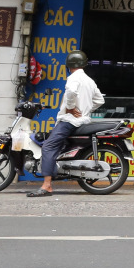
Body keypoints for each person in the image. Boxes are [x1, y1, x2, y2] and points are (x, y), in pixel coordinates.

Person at [32, 50, 103, 197]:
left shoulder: (73, 78)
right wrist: (85, 110)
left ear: (69, 65)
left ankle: (47, 185)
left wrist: (70, 107)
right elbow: (100, 100)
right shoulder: (89, 80)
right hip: (82, 121)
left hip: (70, 121)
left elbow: (71, 91)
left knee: (48, 146)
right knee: (59, 146)